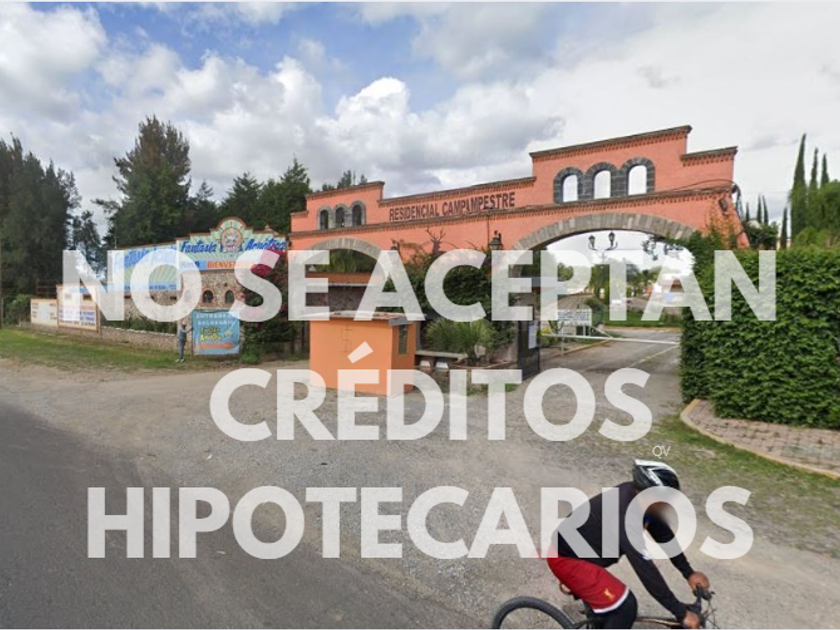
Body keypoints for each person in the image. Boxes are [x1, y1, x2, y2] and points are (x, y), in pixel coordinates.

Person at [547, 461, 709, 629]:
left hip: (583, 555)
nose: (668, 505)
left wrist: (688, 572)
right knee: (625, 607)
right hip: (567, 560)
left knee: (608, 610)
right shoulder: (625, 516)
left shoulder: (641, 500)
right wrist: (681, 613)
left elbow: (663, 534)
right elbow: (646, 570)